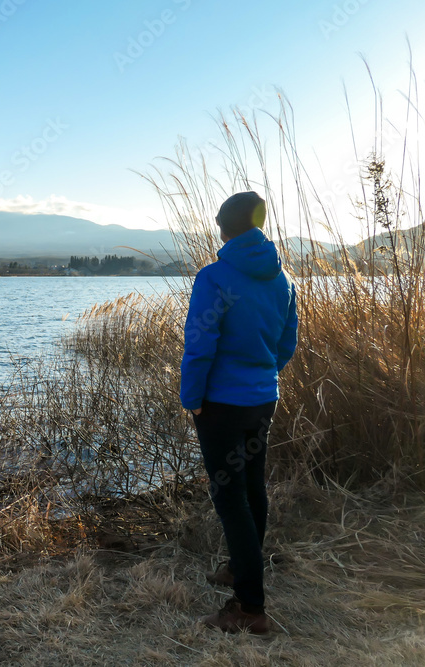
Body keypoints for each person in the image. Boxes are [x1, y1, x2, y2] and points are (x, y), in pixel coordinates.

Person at [180, 191, 298, 634]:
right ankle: (239, 568)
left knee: (230, 498)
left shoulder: (215, 278)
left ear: (225, 229)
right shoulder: (283, 279)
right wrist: (261, 376)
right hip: (262, 398)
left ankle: (249, 608)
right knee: (251, 487)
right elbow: (287, 343)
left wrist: (191, 396)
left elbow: (200, 344)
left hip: (221, 404)